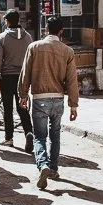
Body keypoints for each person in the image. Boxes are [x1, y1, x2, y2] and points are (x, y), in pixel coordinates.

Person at [18, 16, 79, 190]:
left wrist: (23, 95)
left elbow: (25, 73)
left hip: (39, 99)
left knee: (39, 136)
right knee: (55, 135)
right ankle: (53, 169)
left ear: (46, 29)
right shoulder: (67, 51)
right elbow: (72, 81)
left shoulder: (34, 47)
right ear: (61, 32)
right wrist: (73, 105)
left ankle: (43, 164)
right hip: (58, 99)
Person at [0, 9, 34, 149]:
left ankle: (9, 138)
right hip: (23, 77)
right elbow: (31, 59)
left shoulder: (2, 37)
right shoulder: (28, 37)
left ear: (7, 21)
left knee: (8, 108)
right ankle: (29, 132)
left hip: (7, 78)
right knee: (22, 106)